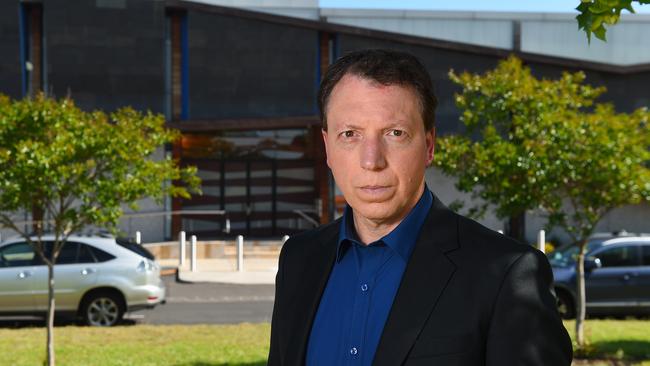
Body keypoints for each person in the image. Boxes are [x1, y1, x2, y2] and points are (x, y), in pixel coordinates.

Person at [267, 49, 572, 366]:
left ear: (428, 146)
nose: (372, 161)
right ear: (328, 148)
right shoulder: (298, 260)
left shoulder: (507, 274)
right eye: (350, 134)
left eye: (395, 133)